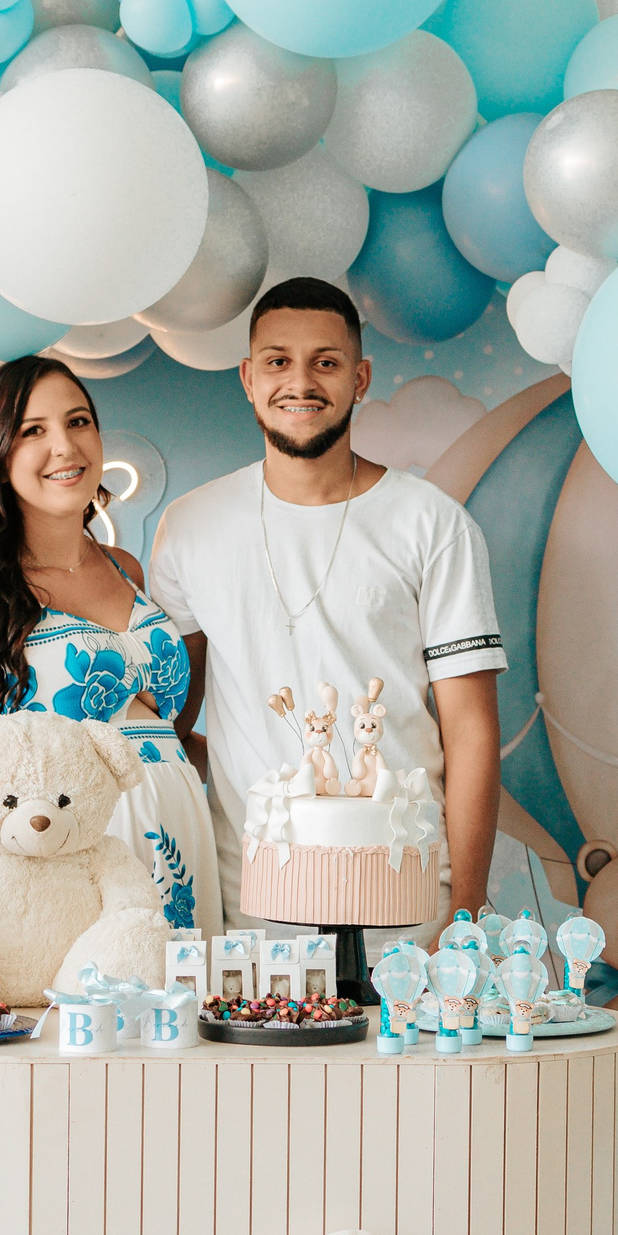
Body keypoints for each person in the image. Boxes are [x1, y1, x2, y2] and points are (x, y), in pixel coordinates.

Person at [149, 278, 505, 937]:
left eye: (327, 361)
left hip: (410, 898)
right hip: (251, 905)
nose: (301, 381)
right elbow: (172, 716)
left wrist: (468, 910)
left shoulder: (431, 523)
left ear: (361, 377)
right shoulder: (190, 526)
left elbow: (472, 731)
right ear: (248, 377)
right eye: (279, 361)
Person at [0, 355, 222, 933]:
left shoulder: (128, 569)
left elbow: (161, 735)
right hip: (60, 884)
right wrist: (23, 863)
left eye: (79, 421)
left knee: (181, 1019)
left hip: (180, 849)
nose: (65, 446)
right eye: (32, 431)